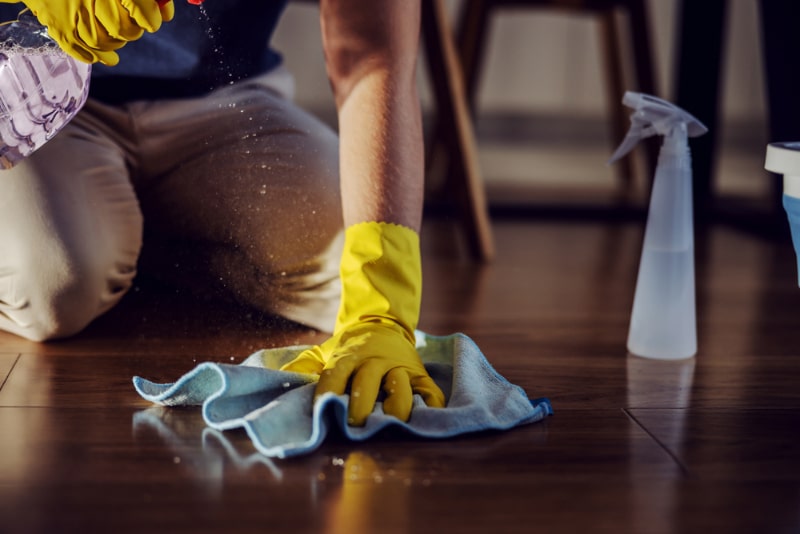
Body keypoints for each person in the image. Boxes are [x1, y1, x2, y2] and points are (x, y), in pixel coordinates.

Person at [0, 0, 445, 426]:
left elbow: (372, 48)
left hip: (226, 102)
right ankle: (109, 240)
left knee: (345, 277)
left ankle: (127, 240)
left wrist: (379, 309)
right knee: (52, 286)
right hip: (32, 91)